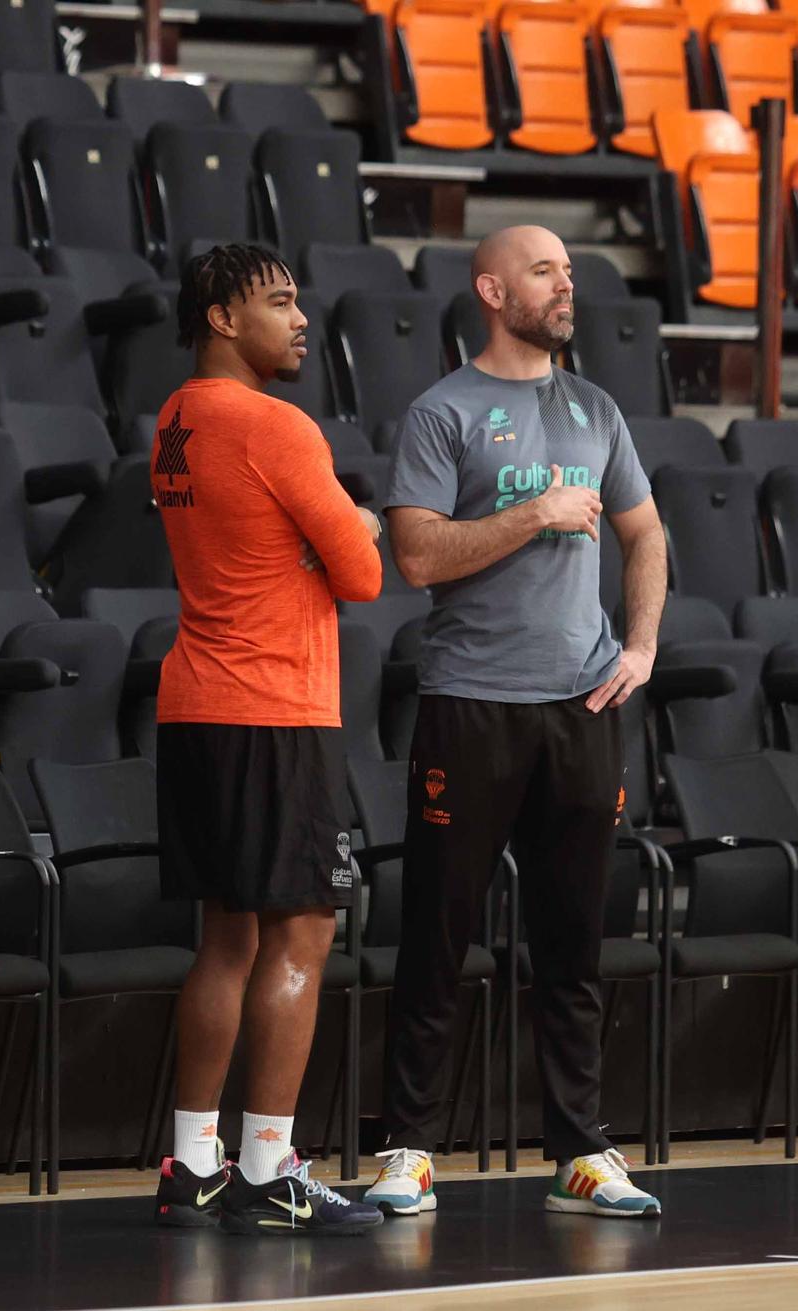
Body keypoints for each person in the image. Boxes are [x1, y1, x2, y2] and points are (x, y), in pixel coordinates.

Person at [364, 225, 668, 1219]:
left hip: (578, 707)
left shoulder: (593, 406)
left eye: (568, 272)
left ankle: (580, 1153)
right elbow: (413, 557)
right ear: (492, 289)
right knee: (437, 937)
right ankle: (407, 1149)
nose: (564, 284)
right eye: (545, 271)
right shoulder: (442, 412)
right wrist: (532, 517)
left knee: (573, 940)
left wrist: (640, 648)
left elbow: (644, 530)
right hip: (469, 707)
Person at [149, 244, 387, 1237]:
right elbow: (363, 574)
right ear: (219, 317)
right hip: (274, 707)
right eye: (278, 303)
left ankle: (192, 1163)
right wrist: (359, 522)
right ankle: (266, 1170)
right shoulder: (274, 425)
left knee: (225, 938)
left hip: (196, 700)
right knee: (301, 934)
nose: (300, 320)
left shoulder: (174, 417)